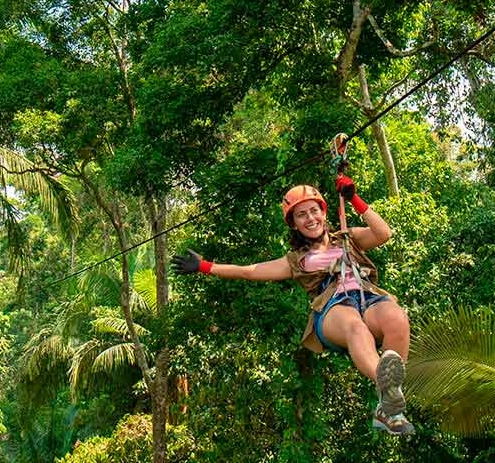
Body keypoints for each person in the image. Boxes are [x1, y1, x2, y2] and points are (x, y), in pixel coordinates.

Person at [172, 166, 414, 435]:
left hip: (367, 297)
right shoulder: (295, 261)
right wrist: (206, 266)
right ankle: (386, 385)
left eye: (314, 211)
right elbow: (250, 271)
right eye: (301, 215)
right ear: (294, 223)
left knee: (396, 317)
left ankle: (389, 408)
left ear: (324, 212)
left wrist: (354, 198)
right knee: (354, 326)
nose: (310, 218)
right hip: (333, 308)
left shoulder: (348, 238)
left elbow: (383, 233)